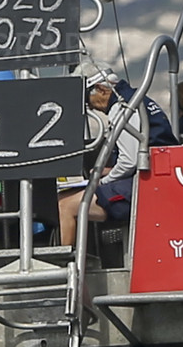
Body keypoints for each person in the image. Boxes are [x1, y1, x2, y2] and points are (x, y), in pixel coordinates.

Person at [58, 73, 141, 256]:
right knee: (67, 196)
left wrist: (103, 181)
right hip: (147, 181)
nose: (90, 107)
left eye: (89, 100)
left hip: (142, 189)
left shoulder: (122, 108)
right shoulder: (136, 99)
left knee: (65, 205)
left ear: (102, 90)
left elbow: (130, 161)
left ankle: (67, 267)